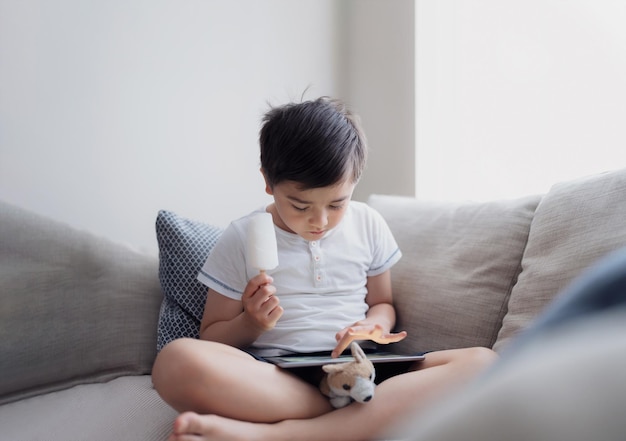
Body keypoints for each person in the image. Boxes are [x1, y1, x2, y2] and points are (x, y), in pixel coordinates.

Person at [152, 96, 497, 441]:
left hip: (365, 368)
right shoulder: (242, 237)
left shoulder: (368, 224)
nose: (320, 221)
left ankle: (279, 435)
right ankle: (357, 419)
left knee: (483, 363)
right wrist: (250, 323)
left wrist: (374, 325)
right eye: (300, 205)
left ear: (355, 183)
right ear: (268, 182)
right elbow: (212, 337)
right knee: (175, 361)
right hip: (281, 376)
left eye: (337, 203)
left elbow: (383, 304)